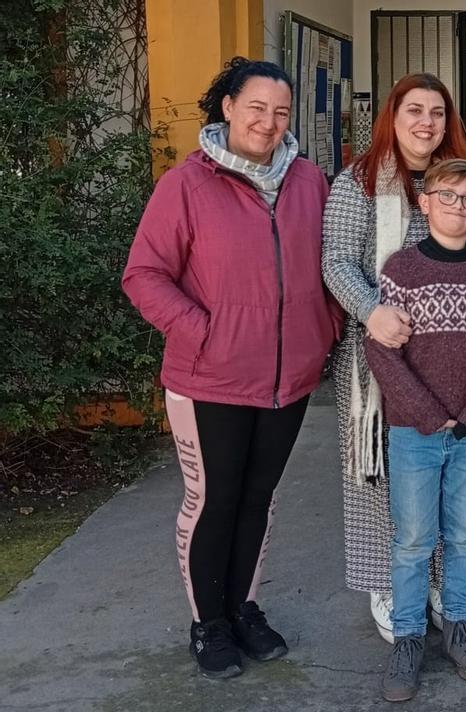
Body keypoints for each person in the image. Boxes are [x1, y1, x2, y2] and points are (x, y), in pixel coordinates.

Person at [122, 57, 341, 679]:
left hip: (288, 378)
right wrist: (206, 332)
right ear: (227, 108)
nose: (269, 123)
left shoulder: (307, 182)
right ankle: (208, 622)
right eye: (256, 108)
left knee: (259, 497)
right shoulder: (185, 185)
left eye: (281, 112)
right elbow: (143, 274)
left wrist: (322, 329)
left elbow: (330, 267)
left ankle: (243, 607)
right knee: (214, 498)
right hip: (208, 379)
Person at [321, 73, 466, 644]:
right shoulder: (357, 183)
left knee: (456, 478)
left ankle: (440, 584)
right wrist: (372, 310)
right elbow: (336, 259)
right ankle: (387, 583)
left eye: (437, 113)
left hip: (461, 357)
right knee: (385, 475)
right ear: (392, 118)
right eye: (414, 112)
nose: (426, 123)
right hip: (384, 359)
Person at [364, 158, 466, 703]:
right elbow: (381, 352)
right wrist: (427, 414)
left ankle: (459, 629)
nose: (458, 207)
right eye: (447, 196)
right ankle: (407, 639)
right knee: (411, 541)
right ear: (424, 202)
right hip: (414, 432)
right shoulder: (401, 270)